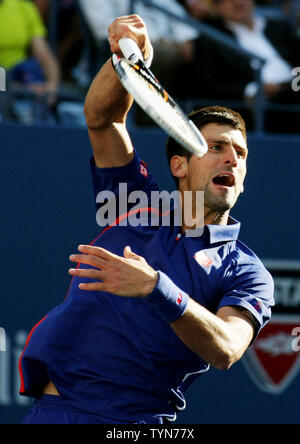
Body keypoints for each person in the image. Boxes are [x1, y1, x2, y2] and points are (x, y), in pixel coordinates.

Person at [19, 15, 274, 425]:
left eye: (241, 154)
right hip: (54, 412)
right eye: (215, 147)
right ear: (179, 164)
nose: (232, 158)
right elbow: (103, 119)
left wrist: (157, 288)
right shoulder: (131, 200)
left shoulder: (247, 271)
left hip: (138, 425)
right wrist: (126, 59)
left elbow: (227, 348)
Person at [182, 0, 300, 132]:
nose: (237, 2)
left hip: (293, 89)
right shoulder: (211, 38)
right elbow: (206, 86)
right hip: (260, 108)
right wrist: (251, 90)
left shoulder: (281, 28)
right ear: (216, 7)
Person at [0, 0, 60, 116]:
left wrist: (52, 85)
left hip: (20, 78)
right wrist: (18, 87)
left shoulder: (24, 7)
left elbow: (44, 54)